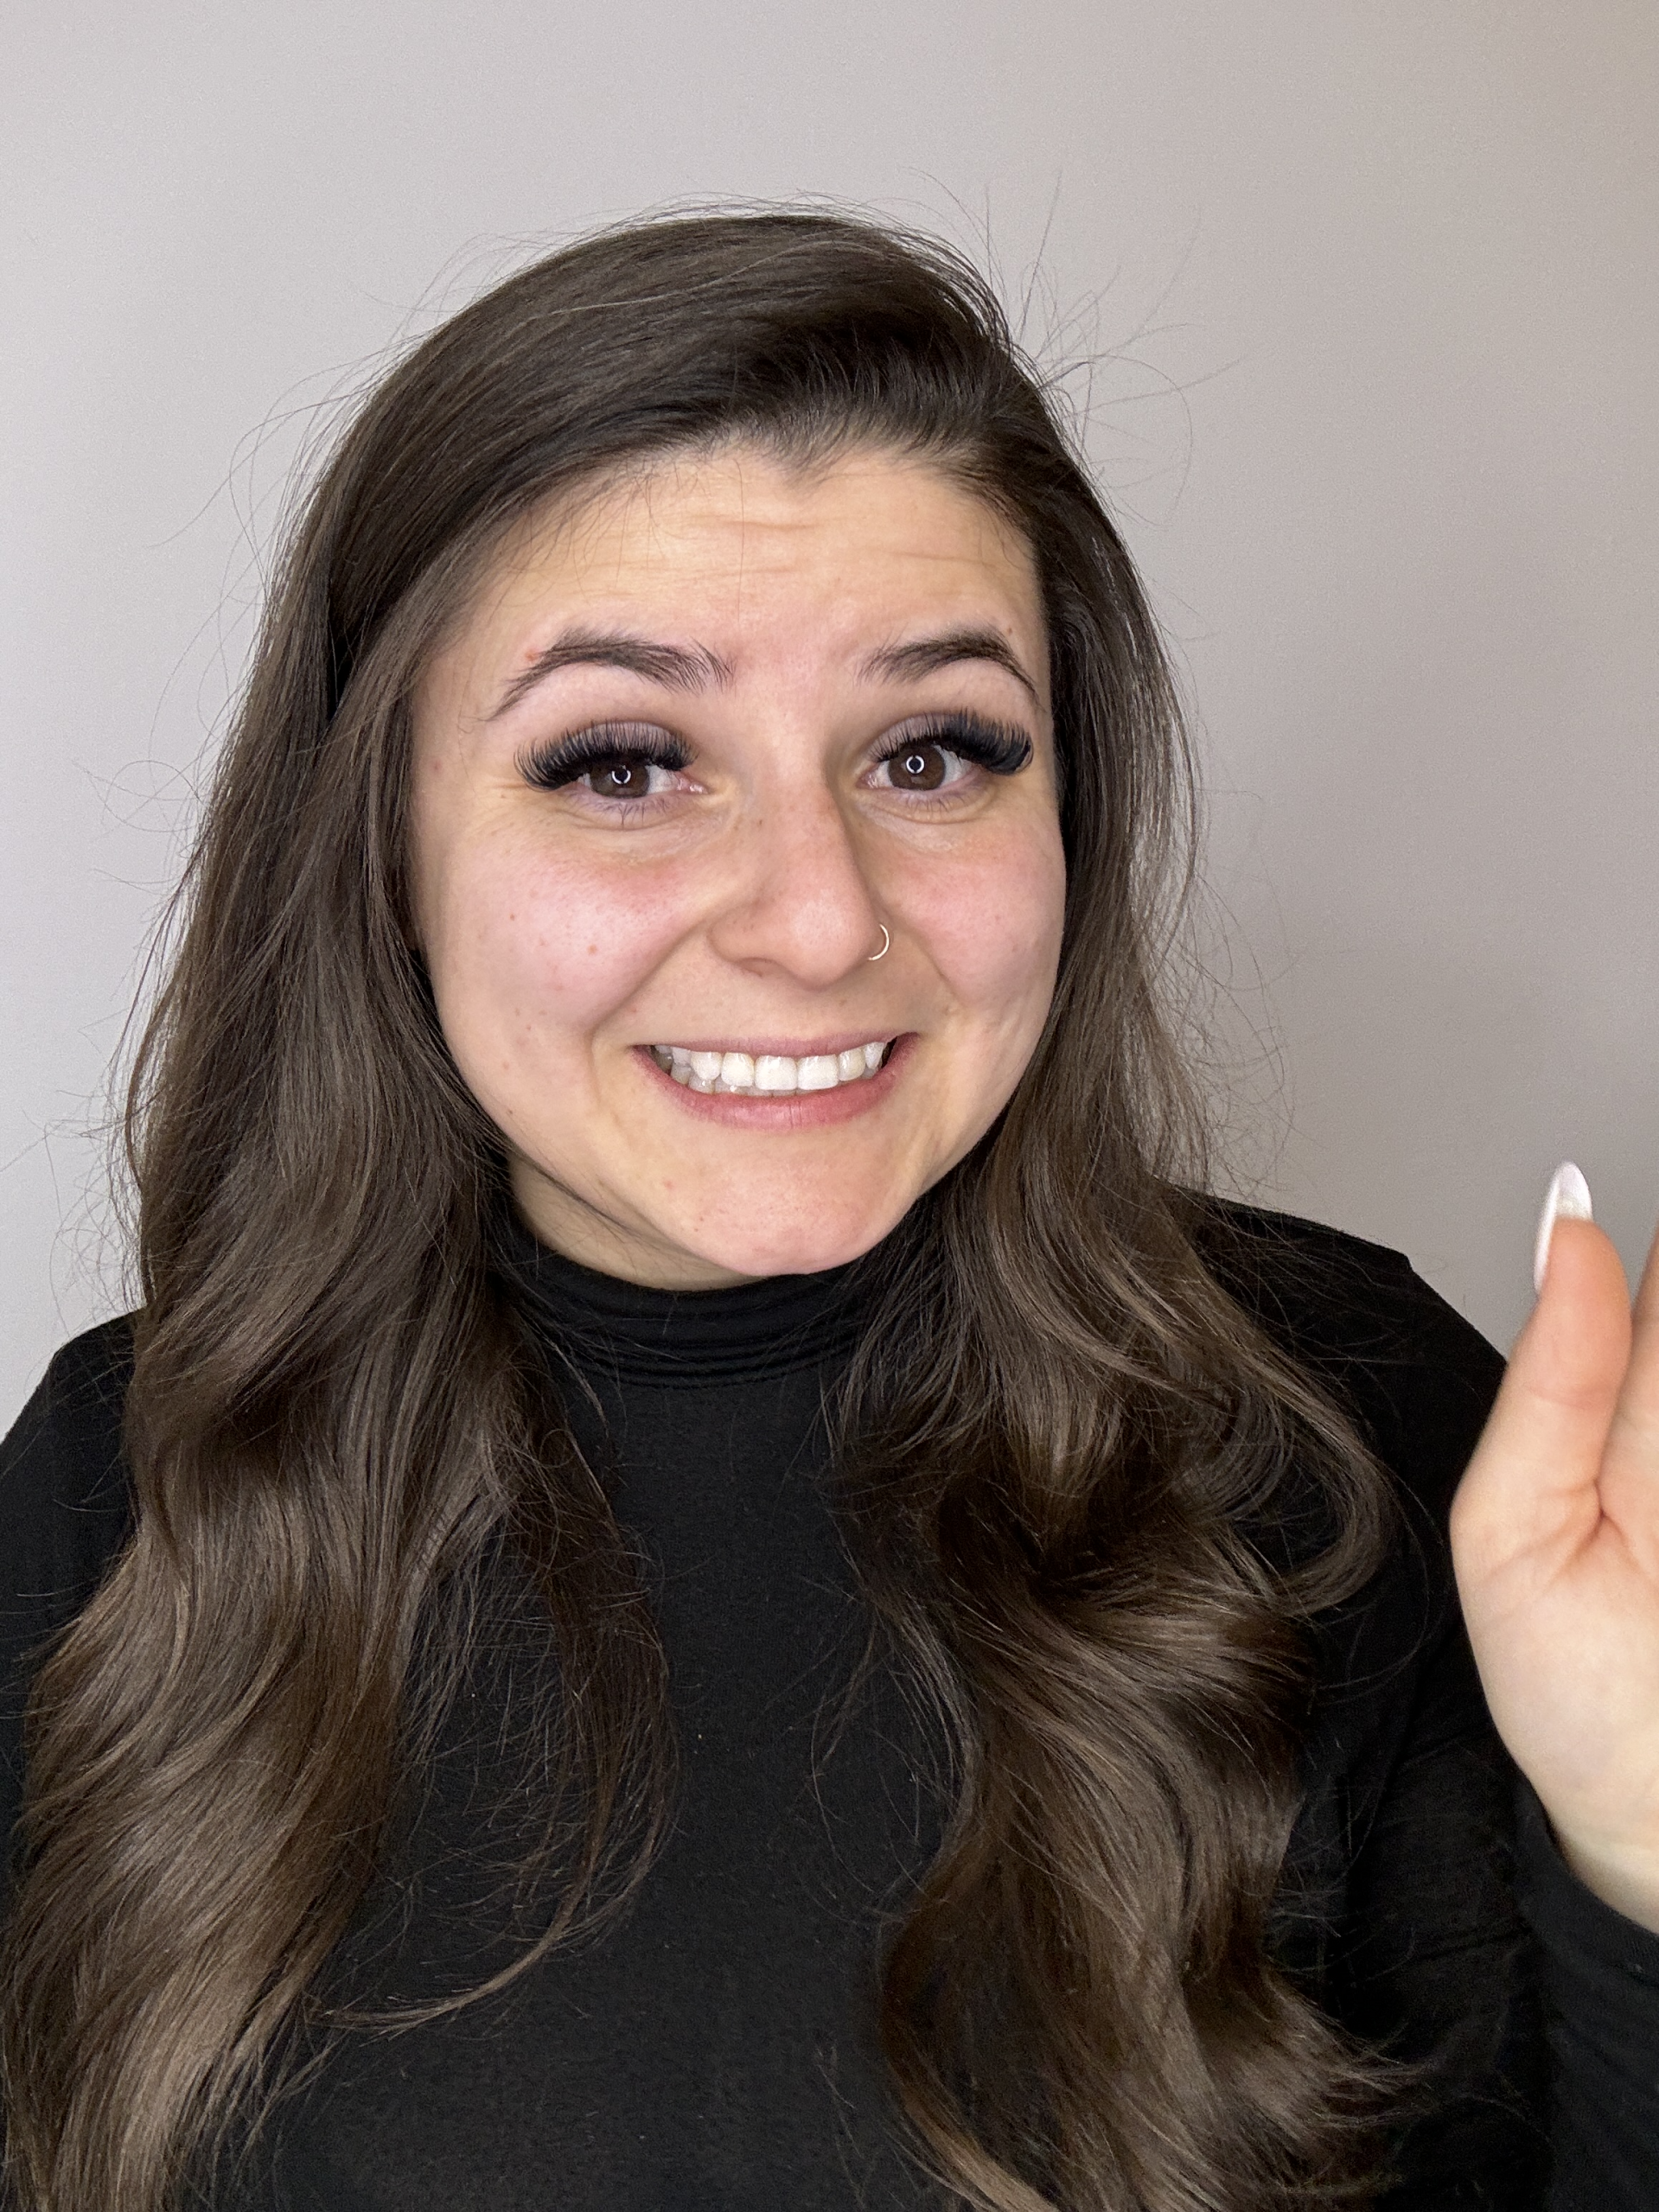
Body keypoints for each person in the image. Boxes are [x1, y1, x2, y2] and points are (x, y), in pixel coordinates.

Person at [1, 210, 1656, 2212]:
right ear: (380, 850)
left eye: (931, 751)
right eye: (623, 763)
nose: (814, 918)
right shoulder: (120, 1481)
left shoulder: (1348, 1434)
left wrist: (1635, 1860)